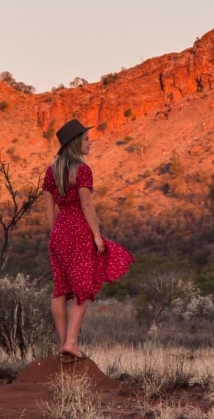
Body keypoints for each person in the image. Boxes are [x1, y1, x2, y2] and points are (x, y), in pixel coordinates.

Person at [43, 119, 134, 362]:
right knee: (82, 289)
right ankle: (72, 342)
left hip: (59, 232)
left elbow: (49, 211)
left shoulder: (51, 172)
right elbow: (86, 205)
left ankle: (64, 344)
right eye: (86, 138)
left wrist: (55, 236)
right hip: (79, 230)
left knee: (60, 290)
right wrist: (96, 234)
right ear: (75, 143)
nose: (90, 142)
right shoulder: (82, 170)